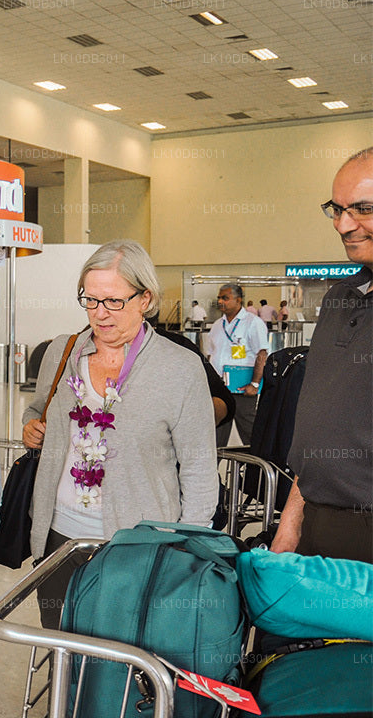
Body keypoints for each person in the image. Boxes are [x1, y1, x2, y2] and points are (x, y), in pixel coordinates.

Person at [22, 241, 218, 627]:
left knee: (121, 651)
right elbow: (36, 408)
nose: (100, 313)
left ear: (145, 298)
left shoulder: (180, 368)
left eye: (113, 301)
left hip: (139, 545)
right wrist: (31, 426)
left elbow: (199, 469)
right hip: (58, 537)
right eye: (91, 300)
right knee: (62, 643)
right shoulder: (63, 352)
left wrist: (186, 551)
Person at [273, 147, 373, 563]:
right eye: (337, 209)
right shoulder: (339, 299)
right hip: (316, 526)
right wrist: (291, 522)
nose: (343, 225)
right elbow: (320, 426)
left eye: (363, 209)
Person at [206, 282, 270, 446]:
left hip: (242, 388)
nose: (220, 301)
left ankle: (258, 461)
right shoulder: (217, 325)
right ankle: (215, 463)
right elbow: (210, 354)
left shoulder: (252, 322)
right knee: (216, 434)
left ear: (238, 300)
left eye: (225, 298)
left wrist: (255, 384)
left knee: (250, 433)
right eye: (219, 298)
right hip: (219, 388)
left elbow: (262, 354)